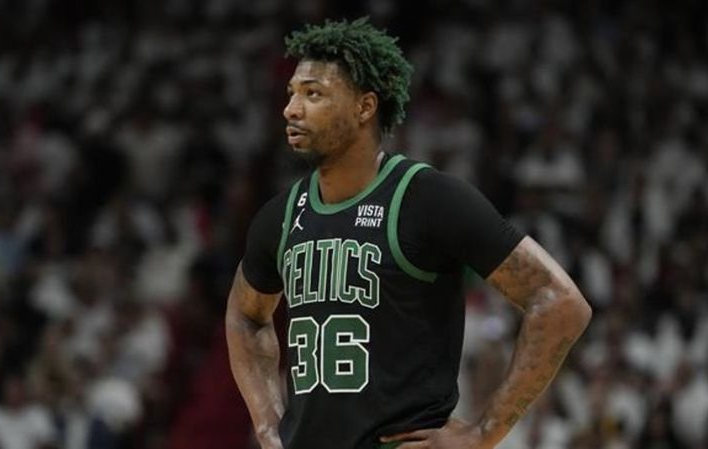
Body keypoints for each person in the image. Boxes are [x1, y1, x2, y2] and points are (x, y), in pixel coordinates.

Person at [226, 18, 592, 449]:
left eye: (313, 94)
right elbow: (245, 316)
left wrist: (484, 432)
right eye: (292, 93)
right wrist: (267, 423)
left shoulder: (428, 199)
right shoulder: (281, 216)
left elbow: (560, 302)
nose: (291, 109)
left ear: (365, 107)